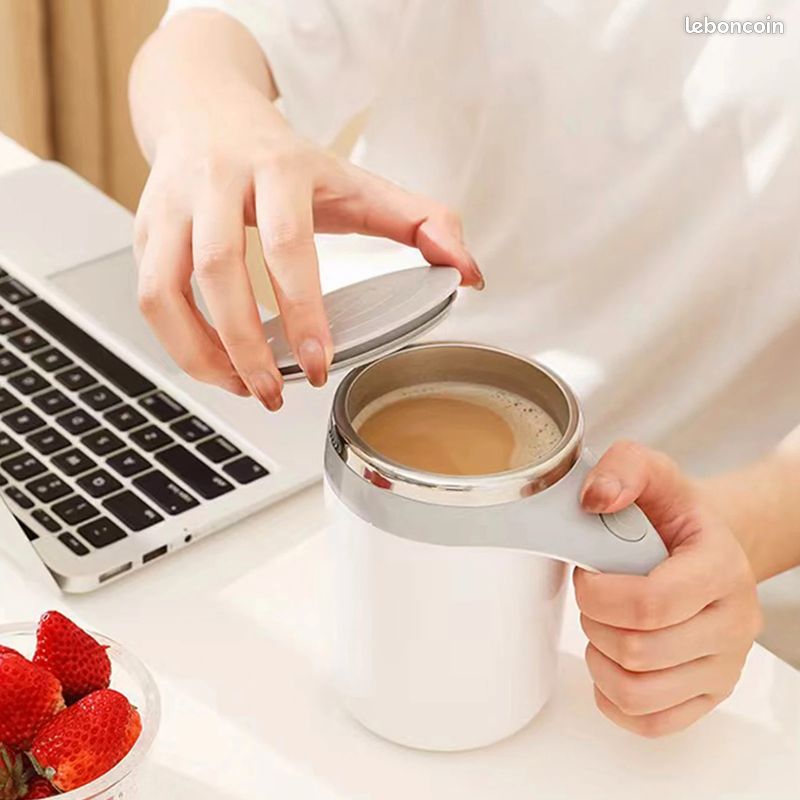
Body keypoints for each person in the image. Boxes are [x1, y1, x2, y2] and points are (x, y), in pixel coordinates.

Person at [128, 1, 800, 737]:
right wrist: (208, 114)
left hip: (687, 556)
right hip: (316, 426)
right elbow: (212, 36)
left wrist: (724, 541)